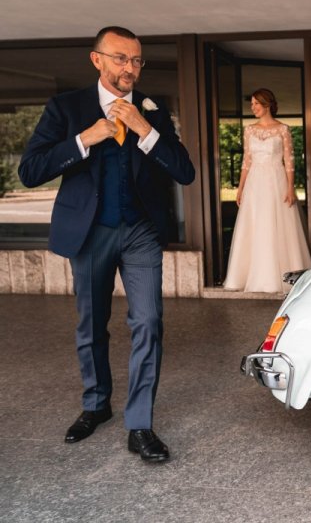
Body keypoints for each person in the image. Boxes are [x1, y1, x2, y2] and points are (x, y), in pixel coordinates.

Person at [18, 26, 195, 463]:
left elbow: (184, 171)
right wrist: (83, 140)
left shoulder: (153, 109)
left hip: (140, 232)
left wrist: (144, 130)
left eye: (136, 60)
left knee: (149, 322)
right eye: (120, 58)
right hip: (90, 231)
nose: (129, 68)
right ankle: (96, 404)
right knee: (92, 324)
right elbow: (30, 170)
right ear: (97, 59)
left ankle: (139, 424)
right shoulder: (66, 107)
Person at [223, 88, 311, 292]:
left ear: (267, 104)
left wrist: (290, 187)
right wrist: (240, 187)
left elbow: (289, 161)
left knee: (277, 224)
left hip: (276, 179)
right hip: (255, 182)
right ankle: (248, 276)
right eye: (251, 104)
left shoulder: (283, 129)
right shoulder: (249, 130)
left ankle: (280, 277)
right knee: (255, 224)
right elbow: (247, 160)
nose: (252, 107)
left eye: (256, 103)